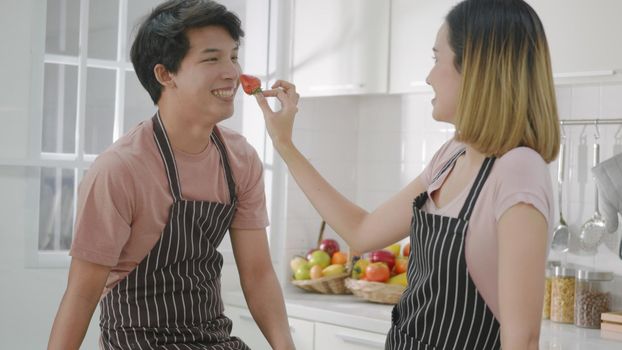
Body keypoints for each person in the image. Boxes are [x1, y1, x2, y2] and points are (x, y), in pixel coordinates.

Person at [255, 0, 559, 349]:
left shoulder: (519, 170)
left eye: (436, 59)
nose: (429, 76)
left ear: (474, 67)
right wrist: (285, 145)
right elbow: (362, 232)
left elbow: (522, 340)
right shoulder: (450, 157)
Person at [48, 1, 294, 349]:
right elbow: (82, 293)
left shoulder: (241, 159)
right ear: (165, 74)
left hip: (214, 339)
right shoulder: (121, 168)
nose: (232, 73)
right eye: (212, 58)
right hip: (137, 342)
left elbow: (258, 274)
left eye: (233, 56)